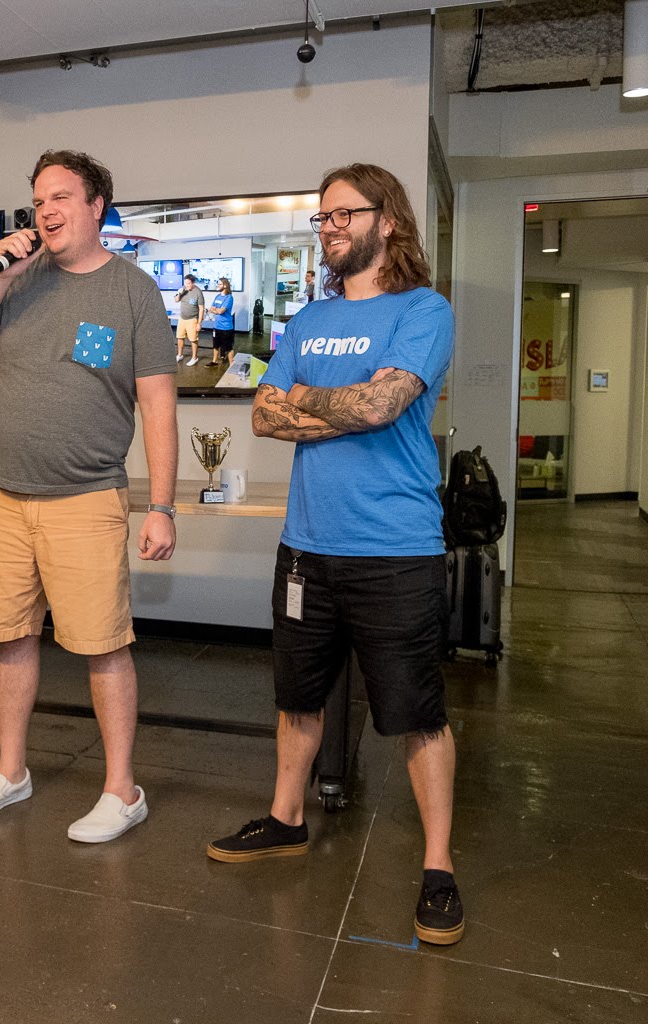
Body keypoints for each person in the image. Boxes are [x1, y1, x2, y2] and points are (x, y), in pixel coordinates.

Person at [205, 163, 463, 946]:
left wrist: (314, 401)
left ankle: (439, 866)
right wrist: (346, 404)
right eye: (322, 217)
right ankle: (285, 818)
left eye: (344, 213)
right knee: (298, 696)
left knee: (417, 713)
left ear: (389, 220)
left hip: (396, 549)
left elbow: (385, 405)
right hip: (306, 548)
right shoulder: (310, 319)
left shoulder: (424, 310)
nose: (330, 227)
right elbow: (262, 415)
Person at [0, 149, 179, 844]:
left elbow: (158, 407)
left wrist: (161, 506)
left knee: (104, 647)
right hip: (3, 495)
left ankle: (122, 790)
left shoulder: (133, 291)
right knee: (10, 637)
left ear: (96, 206)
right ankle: (11, 771)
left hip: (86, 497)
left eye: (61, 197)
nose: (46, 211)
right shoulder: (17, 280)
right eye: (39, 199)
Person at [173, 273, 205, 366]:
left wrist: (199, 323)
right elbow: (176, 300)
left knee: (193, 339)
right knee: (180, 337)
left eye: (188, 283)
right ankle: (180, 355)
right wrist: (179, 293)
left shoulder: (198, 292)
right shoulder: (183, 289)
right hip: (182, 318)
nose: (186, 285)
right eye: (185, 283)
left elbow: (201, 308)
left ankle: (194, 358)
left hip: (192, 319)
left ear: (193, 283)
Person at [209, 277, 235, 367]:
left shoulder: (229, 298)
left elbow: (221, 311)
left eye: (220, 284)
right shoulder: (218, 296)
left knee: (228, 347)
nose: (218, 285)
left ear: (225, 285)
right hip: (217, 326)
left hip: (226, 327)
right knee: (216, 345)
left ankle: (231, 365)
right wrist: (216, 310)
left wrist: (216, 310)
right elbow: (211, 308)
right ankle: (214, 361)